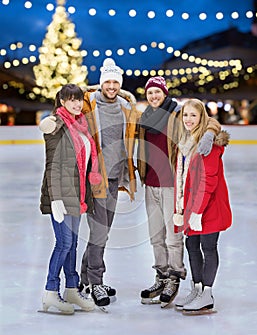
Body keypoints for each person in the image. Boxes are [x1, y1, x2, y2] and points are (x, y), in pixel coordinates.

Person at [39, 58, 138, 308]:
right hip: (96, 181)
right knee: (97, 234)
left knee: (97, 234)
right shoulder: (88, 106)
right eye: (108, 82)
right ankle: (95, 281)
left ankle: (80, 281)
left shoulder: (127, 107)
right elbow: (66, 110)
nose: (112, 86)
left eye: (116, 82)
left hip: (115, 178)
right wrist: (48, 121)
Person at [137, 77, 221, 307]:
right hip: (150, 184)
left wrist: (209, 134)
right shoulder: (144, 117)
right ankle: (161, 277)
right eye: (150, 92)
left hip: (171, 185)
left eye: (158, 92)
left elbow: (208, 120)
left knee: (172, 237)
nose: (154, 96)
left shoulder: (176, 114)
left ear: (165, 93)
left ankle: (174, 276)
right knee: (155, 236)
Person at [40, 84, 101, 314]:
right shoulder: (57, 125)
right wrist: (55, 199)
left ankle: (72, 289)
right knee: (64, 243)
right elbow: (52, 165)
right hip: (62, 196)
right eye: (71, 100)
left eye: (79, 100)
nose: (76, 104)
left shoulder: (80, 125)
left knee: (73, 245)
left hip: (78, 195)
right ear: (62, 101)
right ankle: (50, 292)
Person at [173, 98, 232, 315]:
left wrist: (197, 211)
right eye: (185, 115)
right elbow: (182, 177)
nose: (188, 119)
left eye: (193, 115)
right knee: (191, 246)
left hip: (209, 207)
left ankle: (207, 293)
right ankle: (196, 288)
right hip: (192, 206)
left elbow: (209, 181)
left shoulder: (209, 144)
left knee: (208, 247)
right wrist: (181, 208)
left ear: (201, 118)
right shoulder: (185, 141)